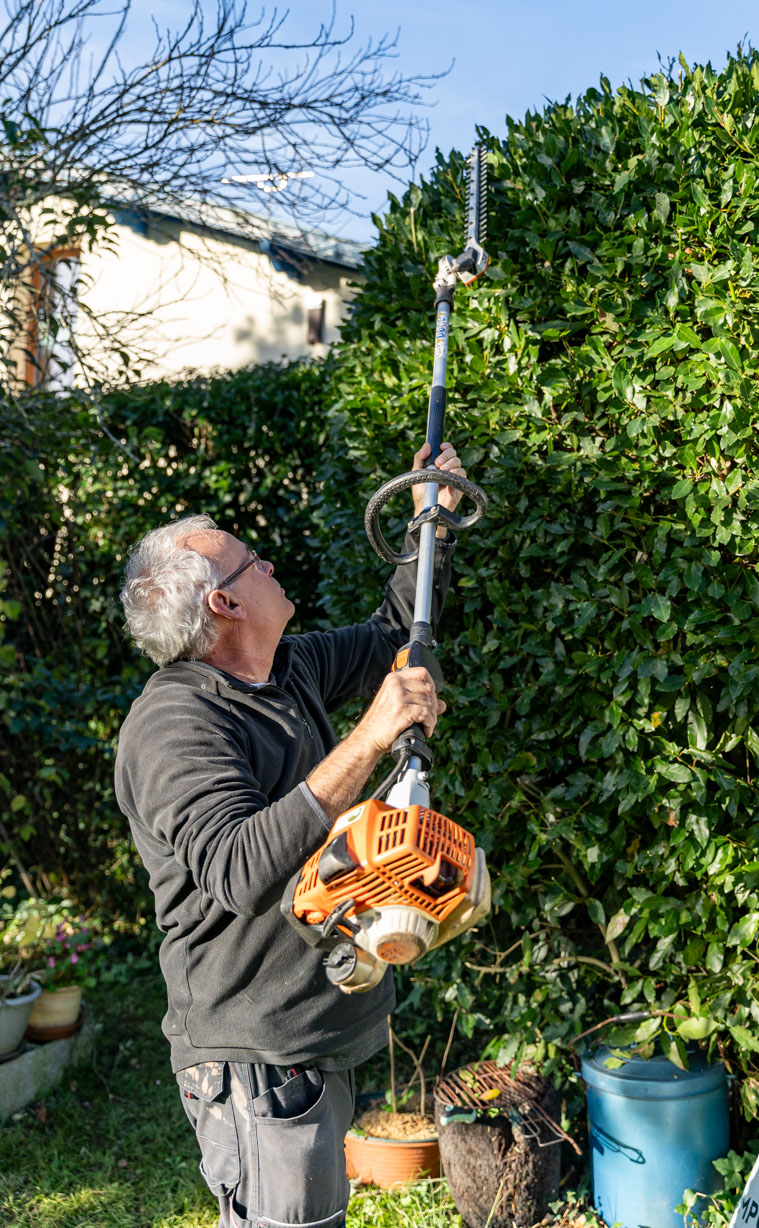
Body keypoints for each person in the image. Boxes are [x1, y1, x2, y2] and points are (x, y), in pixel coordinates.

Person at [114, 442, 467, 1228]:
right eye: (250, 564)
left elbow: (392, 634)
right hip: (257, 1054)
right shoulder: (175, 723)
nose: (268, 562)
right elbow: (238, 869)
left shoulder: (284, 669)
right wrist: (370, 739)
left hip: (314, 1032)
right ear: (223, 606)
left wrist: (429, 528)